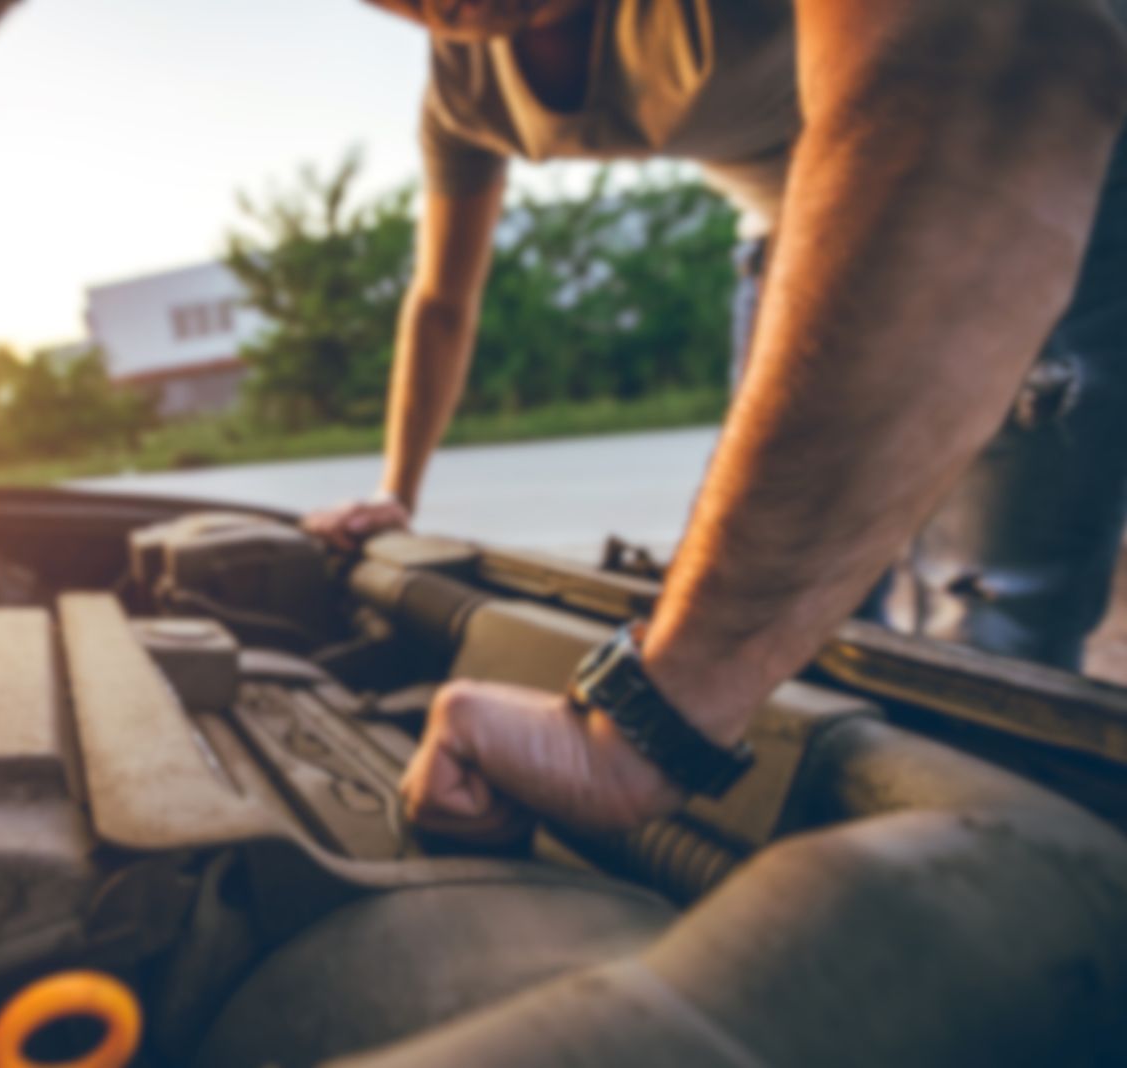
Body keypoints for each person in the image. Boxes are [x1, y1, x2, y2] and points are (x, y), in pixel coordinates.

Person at [304, 0, 1127, 837]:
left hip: (1050, 164)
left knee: (991, 622)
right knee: (810, 607)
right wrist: (394, 490)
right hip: (787, 230)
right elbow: (441, 301)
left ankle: (1000, 876)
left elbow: (984, 49)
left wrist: (650, 724)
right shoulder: (463, 91)